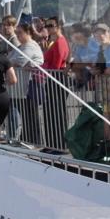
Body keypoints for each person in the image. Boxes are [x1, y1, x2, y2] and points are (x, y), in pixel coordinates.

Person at [41, 16, 70, 151]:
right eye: (47, 26)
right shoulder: (53, 42)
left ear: (58, 26)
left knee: (56, 113)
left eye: (51, 25)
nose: (48, 28)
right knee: (50, 112)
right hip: (52, 78)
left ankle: (58, 145)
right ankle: (52, 143)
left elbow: (57, 64)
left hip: (56, 79)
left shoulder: (60, 42)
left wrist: (45, 68)